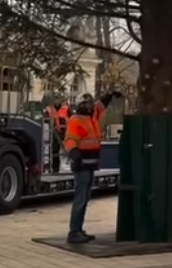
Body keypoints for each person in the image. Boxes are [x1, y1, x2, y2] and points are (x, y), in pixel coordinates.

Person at [65, 90, 122, 244]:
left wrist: (109, 96)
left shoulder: (91, 117)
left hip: (90, 164)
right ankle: (74, 231)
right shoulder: (76, 120)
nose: (91, 106)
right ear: (81, 105)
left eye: (91, 103)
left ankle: (78, 229)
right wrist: (75, 153)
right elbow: (70, 140)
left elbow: (100, 106)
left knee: (85, 198)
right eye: (88, 103)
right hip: (82, 164)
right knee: (81, 198)